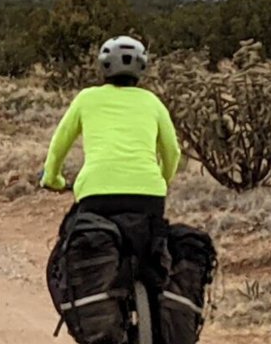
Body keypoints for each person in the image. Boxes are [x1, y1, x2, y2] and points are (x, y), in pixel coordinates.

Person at [40, 36, 182, 227]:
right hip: (148, 194)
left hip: (96, 193)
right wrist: (161, 179)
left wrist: (52, 178)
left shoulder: (86, 99)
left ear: (103, 65)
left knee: (87, 248)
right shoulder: (153, 102)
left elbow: (60, 143)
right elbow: (172, 151)